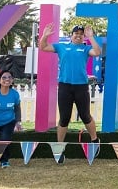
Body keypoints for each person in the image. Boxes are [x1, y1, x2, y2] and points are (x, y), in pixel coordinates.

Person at [39, 22, 101, 163]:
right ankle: (59, 149)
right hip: (65, 86)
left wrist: (91, 37)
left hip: (81, 86)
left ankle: (95, 140)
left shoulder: (86, 49)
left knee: (85, 115)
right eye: (76, 34)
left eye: (81, 34)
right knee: (64, 117)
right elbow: (43, 47)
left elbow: (97, 52)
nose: (78, 36)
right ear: (71, 35)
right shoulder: (62, 46)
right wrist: (44, 36)